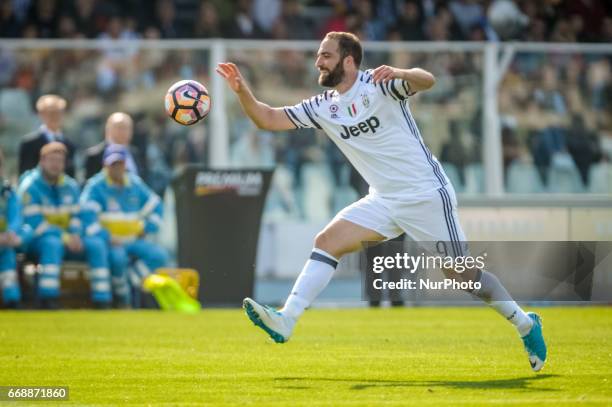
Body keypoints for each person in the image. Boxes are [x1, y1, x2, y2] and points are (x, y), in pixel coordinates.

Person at [216, 31, 547, 371]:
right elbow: (267, 118)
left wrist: (401, 73)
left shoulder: (379, 84)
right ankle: (286, 319)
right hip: (384, 200)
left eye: (326, 55)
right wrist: (243, 92)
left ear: (348, 60)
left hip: (425, 195)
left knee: (462, 276)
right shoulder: (323, 105)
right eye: (318, 55)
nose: (318, 61)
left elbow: (428, 81)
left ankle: (525, 324)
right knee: (328, 241)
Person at [18, 142, 111, 309]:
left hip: (69, 240)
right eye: (52, 160)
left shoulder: (70, 186)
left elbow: (77, 216)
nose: (56, 165)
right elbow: (34, 223)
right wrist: (64, 237)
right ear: (42, 160)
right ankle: (48, 298)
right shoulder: (30, 186)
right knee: (52, 244)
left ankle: (102, 299)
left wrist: (75, 234)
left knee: (96, 245)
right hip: (37, 241)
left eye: (59, 161)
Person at [80, 144, 168, 307]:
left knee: (159, 256)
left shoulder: (134, 184)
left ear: (125, 164)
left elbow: (157, 206)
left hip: (133, 240)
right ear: (105, 165)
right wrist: (108, 237)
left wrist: (146, 228)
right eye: (113, 164)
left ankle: (131, 280)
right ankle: (122, 299)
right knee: (118, 259)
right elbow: (87, 218)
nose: (117, 168)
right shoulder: (96, 186)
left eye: (120, 163)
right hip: (111, 242)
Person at [19, 95, 76, 178]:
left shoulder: (70, 145)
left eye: (58, 112)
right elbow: (24, 175)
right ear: (41, 114)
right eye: (51, 113)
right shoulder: (29, 143)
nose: (55, 116)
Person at [84, 112, 144, 181]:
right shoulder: (94, 156)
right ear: (108, 129)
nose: (124, 131)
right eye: (120, 127)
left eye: (128, 128)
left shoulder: (136, 153)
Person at [0, 148, 24, 308]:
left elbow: (16, 215)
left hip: (4, 241)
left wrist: (9, 233)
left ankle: (12, 299)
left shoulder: (7, 191)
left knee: (8, 254)